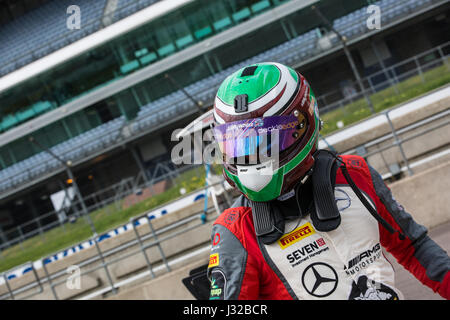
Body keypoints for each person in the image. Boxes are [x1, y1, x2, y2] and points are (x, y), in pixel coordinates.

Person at [206, 62, 450, 300]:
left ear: (304, 123)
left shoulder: (355, 173)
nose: (253, 155)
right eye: (240, 144)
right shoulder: (236, 230)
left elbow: (413, 247)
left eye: (267, 140)